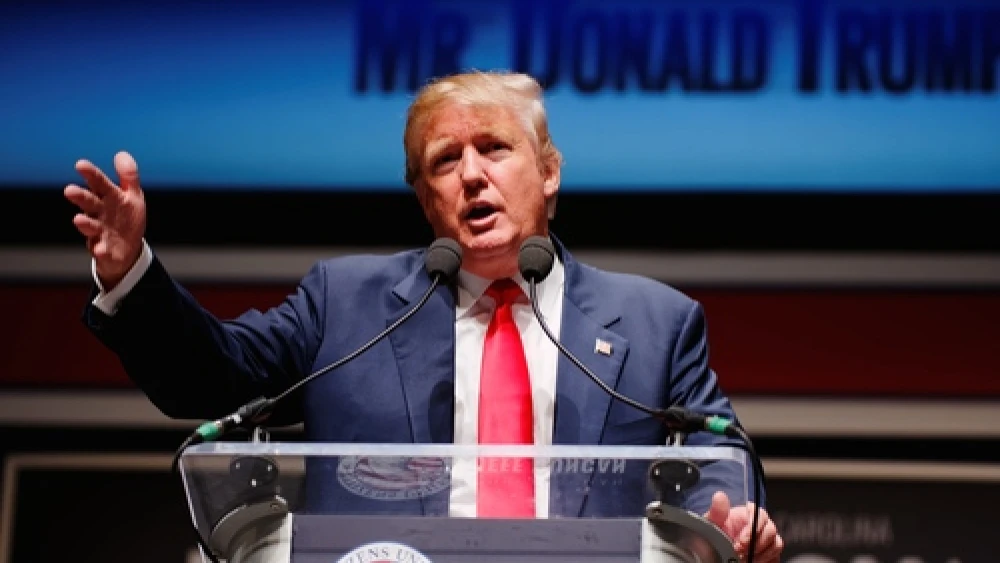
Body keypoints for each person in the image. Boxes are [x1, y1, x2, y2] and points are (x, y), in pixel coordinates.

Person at [64, 70, 783, 560]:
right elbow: (209, 378)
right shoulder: (343, 305)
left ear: (550, 172)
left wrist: (737, 515)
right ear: (424, 197)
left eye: (495, 148)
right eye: (445, 160)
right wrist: (131, 272)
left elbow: (720, 462)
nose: (472, 174)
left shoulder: (656, 321)